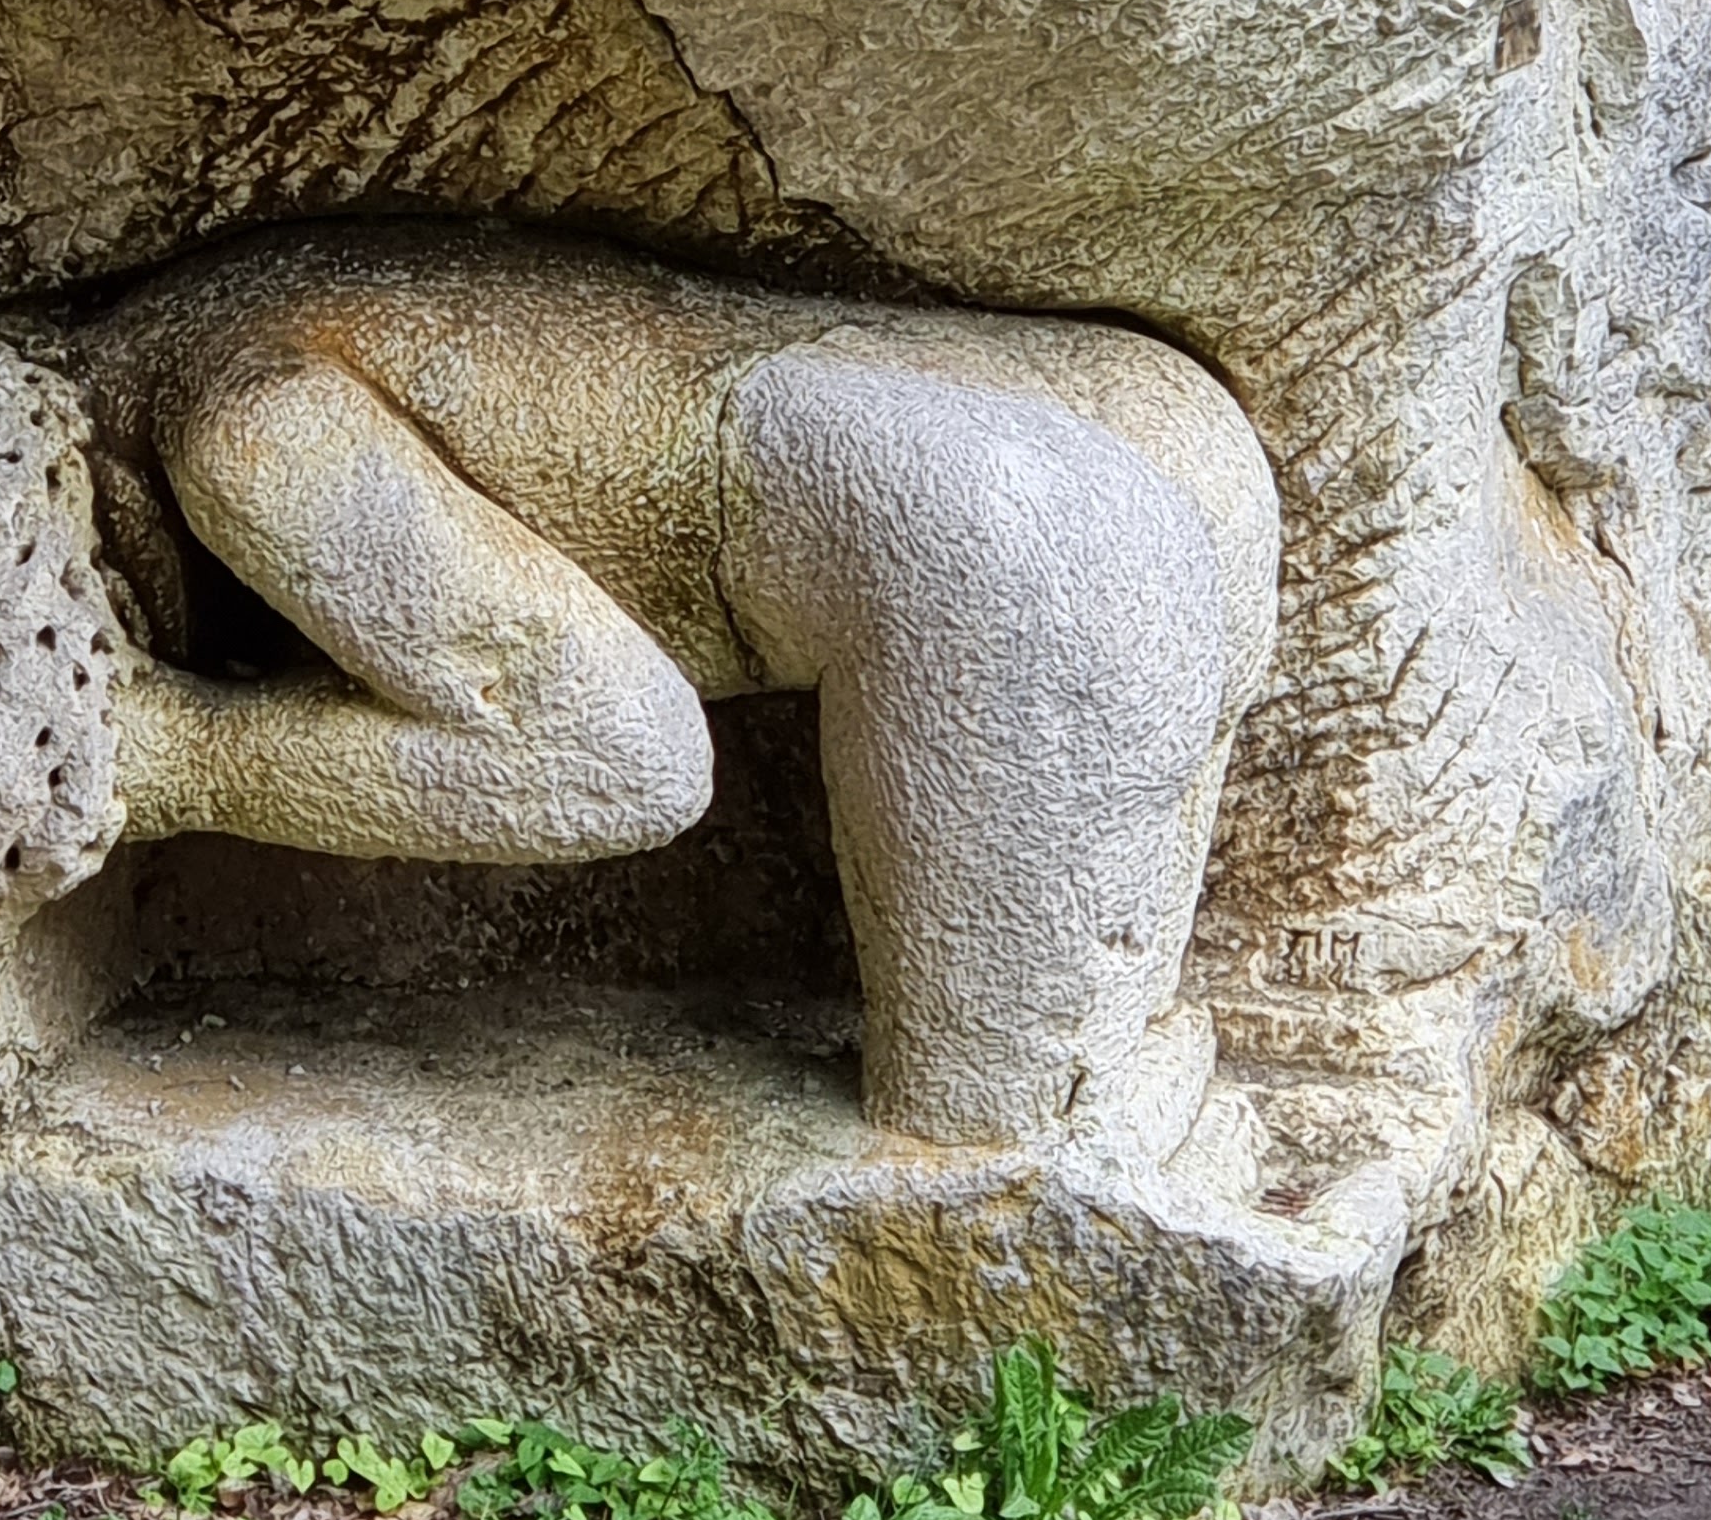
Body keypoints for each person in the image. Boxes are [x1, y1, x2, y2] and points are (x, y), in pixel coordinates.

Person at [63, 221, 1279, 1164]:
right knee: (1092, 1088)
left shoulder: (248, 420)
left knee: (999, 1141)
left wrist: (163, 752)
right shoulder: (242, 303)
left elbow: (618, 759)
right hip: (1145, 425)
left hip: (1008, 540)